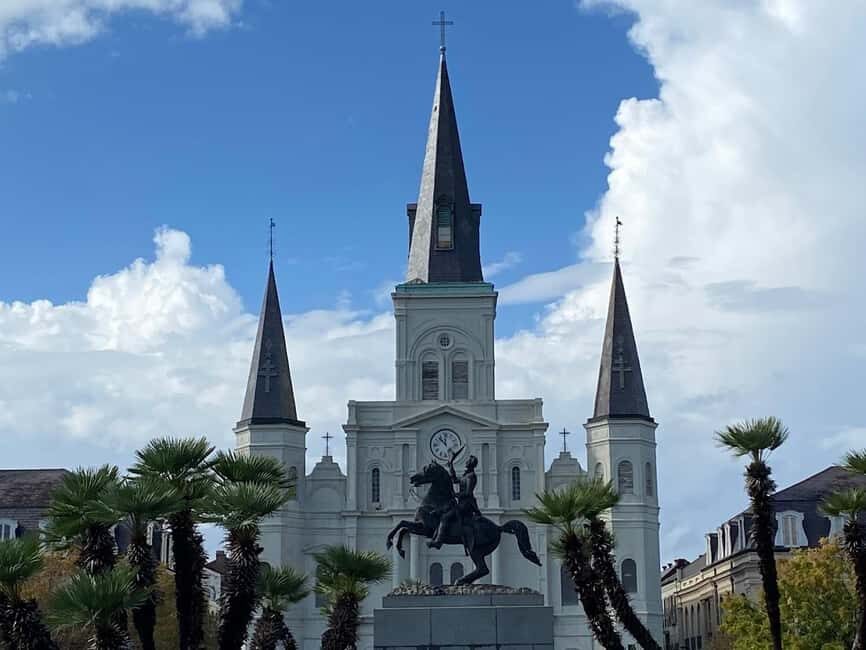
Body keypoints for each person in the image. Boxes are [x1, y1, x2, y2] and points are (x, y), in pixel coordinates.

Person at [428, 451, 481, 553]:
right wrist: (451, 465)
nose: (466, 462)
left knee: (445, 517)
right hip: (461, 502)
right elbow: (455, 480)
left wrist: (455, 494)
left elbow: (468, 493)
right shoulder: (466, 475)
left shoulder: (471, 476)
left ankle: (438, 541)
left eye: (468, 461)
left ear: (471, 463)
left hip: (466, 504)